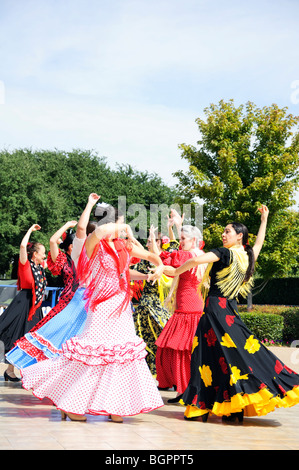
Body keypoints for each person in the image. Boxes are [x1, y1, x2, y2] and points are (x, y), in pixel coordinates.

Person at [153, 205, 299, 422]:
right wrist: (264, 220)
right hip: (230, 311)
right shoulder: (247, 255)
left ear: (239, 236)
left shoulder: (222, 253)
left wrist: (174, 270)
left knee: (206, 359)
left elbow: (194, 260)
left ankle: (202, 406)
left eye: (227, 231)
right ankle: (232, 407)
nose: (223, 234)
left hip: (214, 311)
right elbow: (258, 243)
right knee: (234, 357)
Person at [21, 207, 164, 423]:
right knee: (90, 356)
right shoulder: (93, 243)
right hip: (101, 308)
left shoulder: (123, 245)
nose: (123, 229)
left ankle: (115, 405)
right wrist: (123, 226)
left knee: (121, 356)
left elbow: (151, 256)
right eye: (120, 224)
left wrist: (160, 266)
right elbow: (100, 231)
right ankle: (70, 403)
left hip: (121, 308)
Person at [6, 195, 100, 369]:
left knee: (75, 338)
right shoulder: (63, 260)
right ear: (72, 246)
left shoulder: (88, 259)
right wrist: (66, 226)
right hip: (65, 303)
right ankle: (19, 367)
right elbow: (52, 241)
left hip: (83, 303)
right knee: (42, 333)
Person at [152, 211, 207, 401]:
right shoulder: (195, 255)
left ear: (193, 240)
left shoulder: (191, 256)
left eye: (184, 238)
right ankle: (183, 389)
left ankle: (187, 390)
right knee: (173, 350)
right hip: (184, 308)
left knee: (181, 351)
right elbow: (172, 255)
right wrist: (174, 228)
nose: (181, 241)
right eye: (181, 238)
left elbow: (171, 257)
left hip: (189, 309)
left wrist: (175, 226)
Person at [0, 225, 47, 381]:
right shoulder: (25, 264)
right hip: (23, 303)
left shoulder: (40, 268)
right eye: (42, 253)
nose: (44, 256)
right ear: (34, 254)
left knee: (29, 338)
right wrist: (30, 231)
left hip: (34, 306)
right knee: (17, 336)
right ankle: (15, 371)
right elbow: (22, 246)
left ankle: (14, 371)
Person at [132, 225, 173, 376]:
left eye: (151, 241)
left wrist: (153, 234)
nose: (147, 244)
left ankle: (166, 371)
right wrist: (131, 239)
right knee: (142, 338)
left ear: (159, 242)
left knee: (163, 335)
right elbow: (138, 249)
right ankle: (148, 372)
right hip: (145, 303)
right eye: (148, 241)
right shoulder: (143, 261)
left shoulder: (164, 258)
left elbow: (156, 256)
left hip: (156, 303)